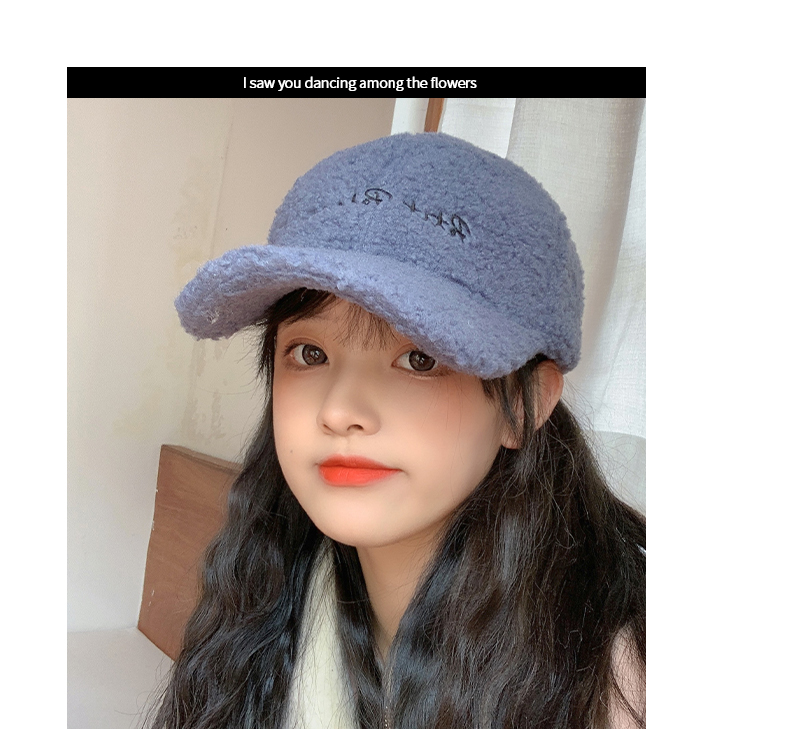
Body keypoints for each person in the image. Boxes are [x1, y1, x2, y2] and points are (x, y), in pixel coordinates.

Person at [152, 133, 646, 728]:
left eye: (419, 359)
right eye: (309, 354)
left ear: (525, 403)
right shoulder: (264, 598)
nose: (340, 411)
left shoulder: (621, 678)